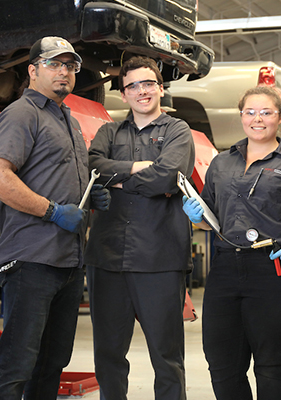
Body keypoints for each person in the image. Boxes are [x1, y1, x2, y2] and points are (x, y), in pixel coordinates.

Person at [0, 36, 110, 399]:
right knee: (17, 363)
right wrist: (52, 211)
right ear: (33, 70)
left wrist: (90, 197)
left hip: (67, 261)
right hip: (31, 258)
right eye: (54, 64)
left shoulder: (66, 118)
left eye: (70, 66)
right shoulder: (22, 113)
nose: (64, 72)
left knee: (52, 362)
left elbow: (55, 176)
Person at [182, 85, 281, 400]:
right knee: (222, 362)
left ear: (280, 117)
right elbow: (211, 218)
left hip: (276, 269)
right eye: (250, 112)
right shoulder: (222, 163)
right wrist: (196, 216)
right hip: (226, 269)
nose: (257, 119)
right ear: (241, 116)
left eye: (266, 112)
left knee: (271, 363)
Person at [84, 56, 194, 400]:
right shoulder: (108, 131)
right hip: (107, 259)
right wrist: (135, 168)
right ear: (123, 93)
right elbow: (93, 169)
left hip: (159, 259)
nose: (141, 91)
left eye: (148, 84)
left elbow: (168, 174)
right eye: (133, 85)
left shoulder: (178, 130)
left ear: (160, 89)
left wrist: (118, 182)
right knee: (108, 355)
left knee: (167, 357)